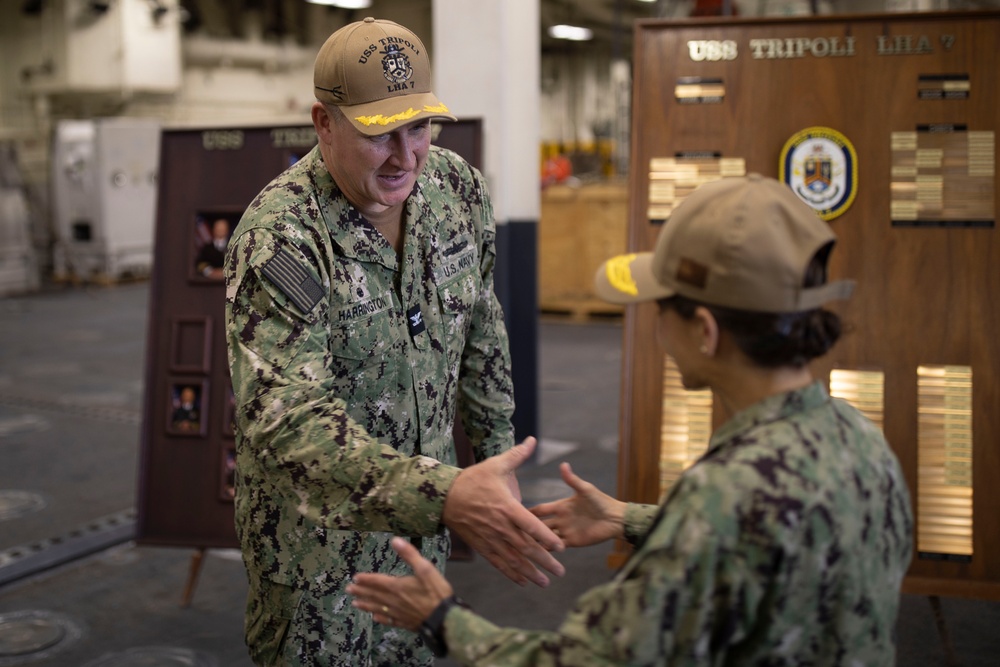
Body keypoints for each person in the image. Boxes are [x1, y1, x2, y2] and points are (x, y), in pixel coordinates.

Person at [347, 174, 914, 665]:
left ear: (706, 332)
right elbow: (766, 538)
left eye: (661, 308)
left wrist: (443, 619)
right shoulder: (859, 439)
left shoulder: (724, 497)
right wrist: (628, 518)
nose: (657, 329)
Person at [224, 17, 563, 667]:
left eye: (420, 128)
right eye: (381, 134)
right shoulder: (284, 239)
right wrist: (448, 494)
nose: (407, 156)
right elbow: (290, 426)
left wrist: (495, 456)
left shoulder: (454, 189)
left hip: (420, 549)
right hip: (320, 571)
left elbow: (482, 324)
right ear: (323, 123)